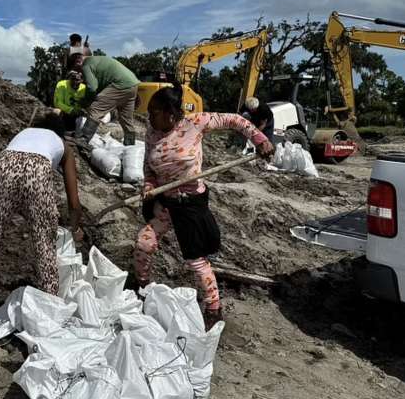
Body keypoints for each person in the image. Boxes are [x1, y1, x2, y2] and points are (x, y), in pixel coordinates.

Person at [136, 83, 273, 330]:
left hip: (190, 204)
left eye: (154, 112)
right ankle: (141, 288)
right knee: (144, 242)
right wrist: (148, 186)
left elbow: (234, 120)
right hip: (165, 201)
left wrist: (259, 138)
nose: (149, 117)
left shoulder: (194, 123)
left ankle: (213, 309)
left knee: (195, 260)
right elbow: (149, 165)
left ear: (170, 112)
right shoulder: (151, 132)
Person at [0, 112, 83, 353]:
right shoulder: (63, 145)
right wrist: (74, 227)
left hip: (4, 170)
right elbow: (74, 201)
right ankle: (49, 330)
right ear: (59, 132)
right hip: (37, 175)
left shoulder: (23, 135)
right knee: (45, 253)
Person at [69, 52, 140, 146]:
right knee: (126, 119)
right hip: (132, 85)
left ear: (78, 62)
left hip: (119, 84)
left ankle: (83, 139)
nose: (79, 72)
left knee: (95, 109)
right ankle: (130, 146)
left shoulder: (86, 65)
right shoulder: (96, 60)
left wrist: (86, 101)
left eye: (77, 69)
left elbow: (92, 87)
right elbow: (98, 85)